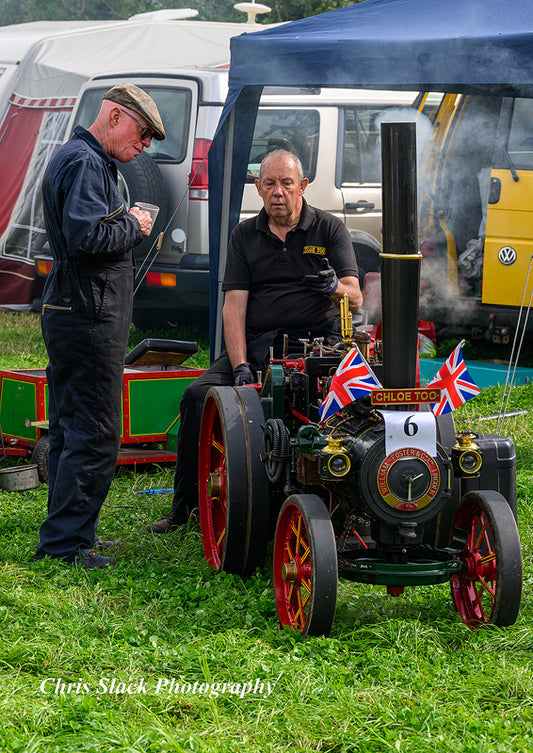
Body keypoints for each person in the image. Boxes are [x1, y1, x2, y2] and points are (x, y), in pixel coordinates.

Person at [146, 148, 363, 534]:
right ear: (258, 189)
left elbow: (355, 295)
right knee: (197, 396)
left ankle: (347, 504)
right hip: (259, 344)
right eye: (269, 184)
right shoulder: (245, 234)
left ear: (303, 187)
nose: (278, 192)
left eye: (286, 184)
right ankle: (187, 509)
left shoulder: (329, 228)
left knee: (344, 410)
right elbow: (234, 308)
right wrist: (242, 366)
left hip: (320, 346)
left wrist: (333, 289)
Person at [35, 84, 166, 568]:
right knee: (94, 431)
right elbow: (87, 234)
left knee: (73, 428)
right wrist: (133, 224)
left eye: (151, 137)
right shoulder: (86, 163)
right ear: (114, 116)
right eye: (143, 132)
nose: (146, 145)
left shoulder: (86, 159)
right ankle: (66, 544)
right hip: (87, 318)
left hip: (77, 312)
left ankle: (69, 535)